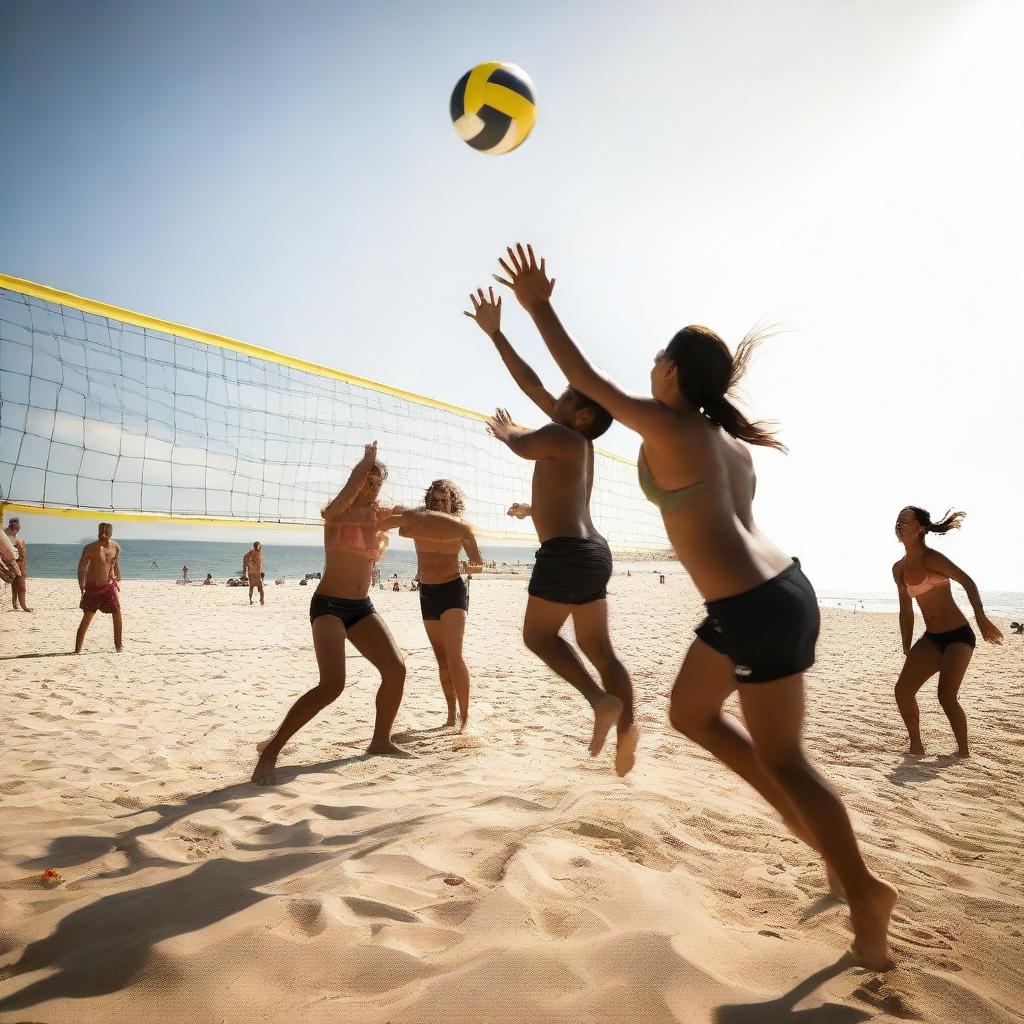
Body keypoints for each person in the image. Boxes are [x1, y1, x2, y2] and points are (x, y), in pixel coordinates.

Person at [491, 242, 897, 969]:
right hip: (776, 592)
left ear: (672, 372)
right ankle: (806, 827)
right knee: (689, 714)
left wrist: (538, 305)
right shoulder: (723, 439)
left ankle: (864, 891)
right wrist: (509, 338)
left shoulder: (673, 425)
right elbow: (567, 396)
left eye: (657, 359)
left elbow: (583, 378)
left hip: (754, 605)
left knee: (787, 758)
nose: (649, 368)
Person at [466, 284, 638, 775]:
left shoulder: (562, 435)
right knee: (599, 648)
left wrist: (507, 433)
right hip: (592, 550)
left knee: (539, 637)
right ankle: (627, 732)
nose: (554, 397)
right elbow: (533, 384)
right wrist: (497, 335)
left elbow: (523, 442)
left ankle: (598, 701)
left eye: (565, 396)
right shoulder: (580, 445)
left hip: (565, 553)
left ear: (582, 414)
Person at [893, 507, 1003, 758]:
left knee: (946, 695)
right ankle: (916, 746)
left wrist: (981, 617)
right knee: (903, 691)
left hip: (958, 636)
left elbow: (967, 581)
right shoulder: (898, 569)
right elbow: (906, 611)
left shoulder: (933, 558)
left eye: (905, 521)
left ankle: (963, 751)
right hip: (932, 639)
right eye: (898, 521)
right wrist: (907, 645)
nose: (899, 525)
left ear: (920, 528)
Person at [411, 479, 484, 731]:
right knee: (441, 660)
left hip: (453, 590)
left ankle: (465, 719)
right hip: (428, 592)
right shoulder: (418, 522)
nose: (440, 504)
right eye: (435, 500)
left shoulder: (461, 528)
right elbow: (395, 521)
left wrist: (468, 567)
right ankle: (450, 714)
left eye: (444, 500)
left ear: (453, 502)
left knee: (454, 657)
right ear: (429, 501)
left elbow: (478, 563)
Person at [76, 523, 122, 653]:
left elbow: (114, 564)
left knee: (117, 613)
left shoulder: (115, 547)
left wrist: (117, 577)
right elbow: (81, 568)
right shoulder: (90, 548)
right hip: (93, 588)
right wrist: (81, 586)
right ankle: (77, 649)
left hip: (108, 587)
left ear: (111, 532)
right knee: (87, 617)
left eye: (107, 530)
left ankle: (119, 646)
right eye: (102, 529)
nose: (104, 532)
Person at [4, 518, 31, 611]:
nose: (19, 526)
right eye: (18, 524)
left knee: (15, 584)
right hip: (16, 564)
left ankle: (15, 603)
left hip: (18, 563)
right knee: (21, 586)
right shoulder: (9, 537)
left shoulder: (11, 536)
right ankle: (24, 606)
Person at [243, 542, 265, 606]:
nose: (257, 547)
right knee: (260, 587)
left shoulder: (251, 553)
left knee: (252, 587)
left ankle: (252, 600)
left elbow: (245, 561)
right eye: (257, 546)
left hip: (252, 573)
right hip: (255, 573)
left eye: (258, 546)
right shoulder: (255, 553)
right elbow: (246, 559)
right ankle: (261, 600)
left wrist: (245, 570)